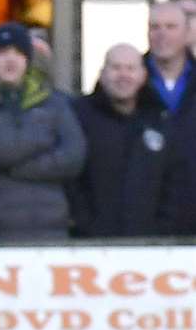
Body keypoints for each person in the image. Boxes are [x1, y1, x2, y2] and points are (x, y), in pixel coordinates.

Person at [0, 22, 86, 241]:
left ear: (27, 60)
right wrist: (43, 136)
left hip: (52, 228)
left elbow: (73, 156)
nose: (10, 60)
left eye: (18, 53)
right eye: (2, 53)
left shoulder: (55, 102)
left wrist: (9, 169)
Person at [69, 44, 184, 238]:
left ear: (143, 75)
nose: (123, 75)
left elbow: (174, 181)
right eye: (116, 67)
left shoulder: (159, 120)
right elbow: (70, 178)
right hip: (90, 245)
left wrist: (162, 230)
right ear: (103, 74)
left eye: (130, 68)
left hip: (150, 248)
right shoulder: (79, 116)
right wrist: (85, 224)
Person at [143, 1, 196, 236]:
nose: (162, 34)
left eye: (170, 27)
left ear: (187, 33)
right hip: (144, 218)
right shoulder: (128, 81)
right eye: (155, 27)